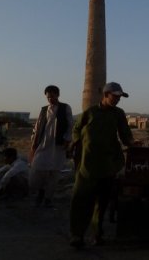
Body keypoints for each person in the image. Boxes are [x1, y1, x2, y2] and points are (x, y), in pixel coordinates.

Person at [69, 82, 135, 248]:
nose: (118, 100)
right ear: (105, 94)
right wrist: (76, 144)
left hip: (107, 164)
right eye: (115, 96)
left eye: (120, 97)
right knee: (81, 201)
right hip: (87, 165)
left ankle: (97, 235)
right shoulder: (90, 112)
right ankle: (77, 235)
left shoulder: (118, 114)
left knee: (102, 203)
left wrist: (132, 143)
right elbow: (76, 129)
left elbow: (125, 134)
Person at [29, 85, 73, 207]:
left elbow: (70, 125)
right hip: (43, 144)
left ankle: (48, 198)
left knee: (54, 173)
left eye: (52, 96)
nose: (50, 99)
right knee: (38, 169)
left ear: (57, 95)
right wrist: (34, 141)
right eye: (48, 97)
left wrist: (67, 140)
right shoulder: (44, 110)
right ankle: (40, 193)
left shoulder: (65, 108)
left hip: (58, 146)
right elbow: (37, 126)